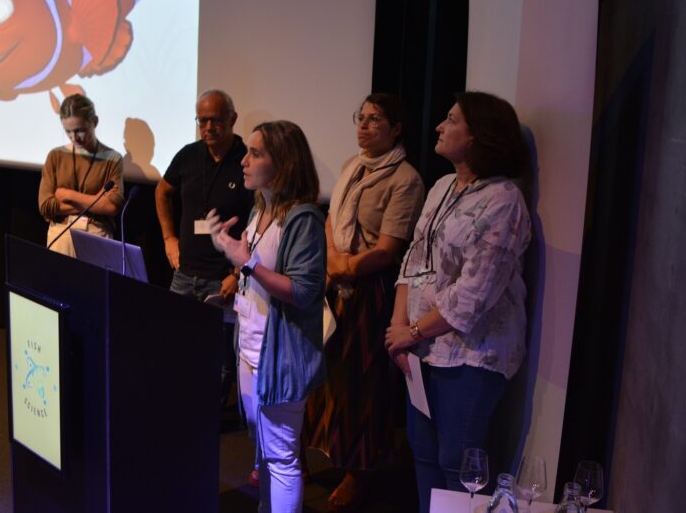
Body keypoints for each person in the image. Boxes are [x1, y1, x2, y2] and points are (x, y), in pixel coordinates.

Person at [384, 91, 531, 513]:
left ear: (478, 135)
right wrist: (399, 329)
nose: (439, 126)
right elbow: (414, 259)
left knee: (458, 463)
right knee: (422, 451)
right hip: (423, 346)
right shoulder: (442, 186)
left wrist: (411, 332)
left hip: (472, 354)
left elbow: (473, 295)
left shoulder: (504, 200)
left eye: (451, 120)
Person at [305, 94, 425, 511]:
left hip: (371, 292)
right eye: (362, 117)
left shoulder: (406, 179)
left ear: (396, 128)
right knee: (327, 378)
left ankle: (359, 473)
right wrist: (332, 260)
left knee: (362, 386)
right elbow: (330, 221)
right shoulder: (351, 165)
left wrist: (347, 267)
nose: (364, 125)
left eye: (376, 119)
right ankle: (324, 453)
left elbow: (389, 249)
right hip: (335, 280)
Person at [209, 120, 326, 513]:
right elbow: (254, 271)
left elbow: (304, 292)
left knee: (281, 457)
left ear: (284, 163)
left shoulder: (302, 218)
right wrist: (232, 254)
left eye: (256, 154)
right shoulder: (260, 208)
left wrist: (247, 264)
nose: (244, 161)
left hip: (280, 356)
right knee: (263, 456)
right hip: (250, 348)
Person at [155, 89, 254, 400]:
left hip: (222, 280)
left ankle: (211, 416)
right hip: (184, 274)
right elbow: (162, 191)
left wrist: (237, 274)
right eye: (202, 120)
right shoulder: (188, 154)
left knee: (220, 360)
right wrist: (169, 238)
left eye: (216, 120)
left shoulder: (246, 161)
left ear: (232, 119)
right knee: (175, 347)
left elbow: (256, 223)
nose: (208, 127)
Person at [38, 94, 124, 256]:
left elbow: (111, 206)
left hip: (96, 234)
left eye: (80, 130)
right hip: (61, 234)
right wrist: (96, 200)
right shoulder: (55, 156)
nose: (74, 137)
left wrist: (67, 195)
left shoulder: (112, 159)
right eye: (68, 131)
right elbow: (46, 206)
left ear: (94, 122)